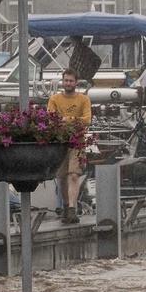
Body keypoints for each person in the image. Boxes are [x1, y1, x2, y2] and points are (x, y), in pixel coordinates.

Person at [46, 71, 94, 223]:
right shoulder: (54, 99)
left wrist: (66, 119)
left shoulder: (84, 99)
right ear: (63, 82)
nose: (68, 83)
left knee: (73, 175)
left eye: (71, 81)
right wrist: (74, 120)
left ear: (76, 82)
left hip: (77, 141)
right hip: (59, 142)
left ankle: (72, 209)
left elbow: (86, 120)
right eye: (66, 81)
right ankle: (66, 206)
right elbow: (51, 119)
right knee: (61, 177)